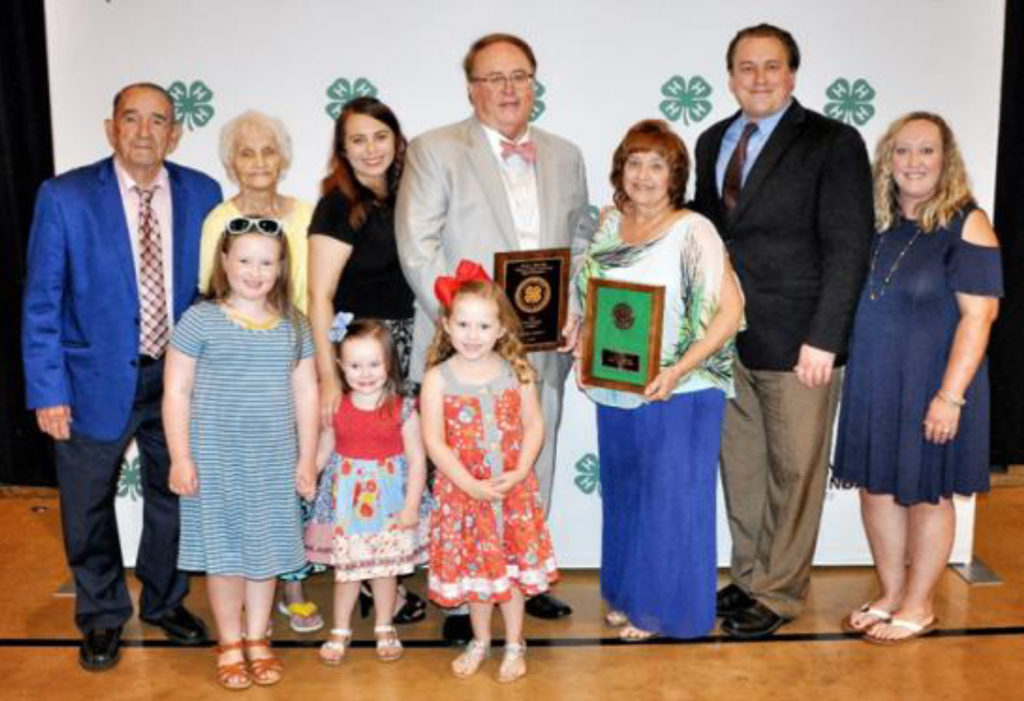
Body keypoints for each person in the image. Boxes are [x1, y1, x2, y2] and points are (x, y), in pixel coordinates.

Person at [396, 32, 593, 640]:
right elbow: (418, 246)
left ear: (534, 83)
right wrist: (467, 331)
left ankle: (523, 576)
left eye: (520, 76)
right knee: (462, 470)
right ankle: (463, 598)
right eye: (494, 78)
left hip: (540, 347)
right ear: (472, 88)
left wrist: (575, 310)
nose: (509, 89)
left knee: (536, 456)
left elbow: (582, 240)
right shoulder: (434, 149)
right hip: (468, 349)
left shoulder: (565, 153)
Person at [21, 82, 221, 671]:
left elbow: (216, 289)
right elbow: (41, 301)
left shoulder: (202, 193)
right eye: (131, 119)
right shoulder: (65, 197)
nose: (143, 131)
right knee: (86, 506)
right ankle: (103, 614)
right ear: (111, 128)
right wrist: (48, 388)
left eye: (158, 120)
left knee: (173, 496)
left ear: (175, 133)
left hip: (177, 379)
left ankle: (164, 600)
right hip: (90, 382)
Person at [692, 23, 874, 638]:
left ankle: (781, 591)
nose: (760, 78)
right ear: (731, 76)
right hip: (728, 338)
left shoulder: (833, 141)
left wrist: (826, 336)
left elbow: (851, 245)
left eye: (772, 67)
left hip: (802, 343)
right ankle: (748, 577)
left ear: (792, 75)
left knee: (796, 472)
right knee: (742, 468)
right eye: (747, 67)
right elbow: (710, 232)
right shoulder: (712, 138)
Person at [833, 113, 1001, 644]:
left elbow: (980, 317)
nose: (913, 162)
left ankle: (920, 603)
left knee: (928, 492)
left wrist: (950, 398)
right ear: (888, 160)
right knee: (877, 488)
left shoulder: (967, 222)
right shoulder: (878, 224)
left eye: (926, 151)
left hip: (935, 384)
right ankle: (889, 592)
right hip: (875, 380)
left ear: (945, 159)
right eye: (902, 151)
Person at [576, 120, 744, 640]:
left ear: (676, 175)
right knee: (626, 495)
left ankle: (663, 610)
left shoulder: (694, 229)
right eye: (634, 162)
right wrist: (577, 330)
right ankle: (628, 595)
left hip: (682, 391)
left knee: (671, 500)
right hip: (616, 387)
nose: (644, 175)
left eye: (657, 164)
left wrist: (678, 369)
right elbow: (594, 299)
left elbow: (730, 312)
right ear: (619, 170)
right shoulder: (609, 227)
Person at [163, 217, 319, 689]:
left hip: (272, 462)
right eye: (245, 260)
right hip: (215, 461)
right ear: (225, 262)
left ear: (282, 267)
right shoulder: (199, 319)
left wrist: (307, 458)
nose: (255, 271)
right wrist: (180, 457)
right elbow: (176, 392)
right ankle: (230, 641)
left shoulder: (295, 324)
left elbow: (307, 394)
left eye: (267, 262)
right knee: (226, 556)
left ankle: (257, 638)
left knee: (265, 554)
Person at [197, 109, 322, 634]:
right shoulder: (217, 219)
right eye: (246, 152)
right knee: (243, 485)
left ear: (285, 159)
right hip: (241, 368)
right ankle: (249, 606)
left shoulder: (307, 213)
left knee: (290, 477)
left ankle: (289, 584)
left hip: (297, 356)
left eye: (268, 151)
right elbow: (211, 290)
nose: (258, 162)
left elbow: (317, 291)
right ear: (230, 162)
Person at [308, 96, 428, 625]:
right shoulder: (337, 205)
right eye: (358, 139)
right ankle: (373, 587)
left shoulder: (411, 194)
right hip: (362, 358)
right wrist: (330, 374)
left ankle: (390, 580)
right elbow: (318, 297)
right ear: (342, 149)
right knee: (362, 475)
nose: (371, 149)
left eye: (380, 137)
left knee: (399, 471)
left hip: (409, 348)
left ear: (397, 141)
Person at [420, 262, 558, 682]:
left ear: (501, 329)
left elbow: (535, 425)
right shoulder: (437, 379)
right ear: (446, 325)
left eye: (483, 325)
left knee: (510, 574)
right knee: (478, 575)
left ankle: (515, 643)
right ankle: (480, 640)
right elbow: (434, 441)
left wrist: (518, 473)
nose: (472, 335)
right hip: (465, 494)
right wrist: (468, 484)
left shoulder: (516, 372)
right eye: (463, 324)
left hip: (510, 492)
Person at [306, 317, 427, 664]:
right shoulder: (336, 407)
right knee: (348, 571)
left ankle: (384, 626)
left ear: (389, 363)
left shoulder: (403, 409)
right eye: (355, 365)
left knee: (385, 571)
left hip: (390, 502)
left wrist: (411, 506)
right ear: (340, 366)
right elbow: (326, 448)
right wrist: (309, 472)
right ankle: (340, 629)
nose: (365, 373)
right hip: (348, 505)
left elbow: (417, 461)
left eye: (374, 363)